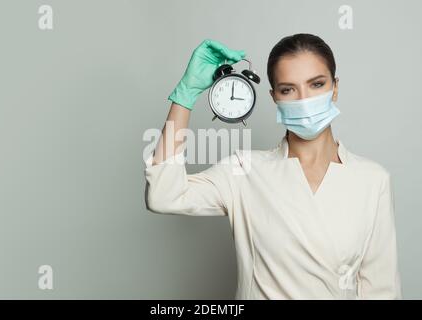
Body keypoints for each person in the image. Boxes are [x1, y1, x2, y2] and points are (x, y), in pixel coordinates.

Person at [143, 35, 403, 300]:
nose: (304, 100)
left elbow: (381, 291)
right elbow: (164, 195)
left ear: (335, 87)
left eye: (317, 84)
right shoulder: (244, 170)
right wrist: (185, 95)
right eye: (288, 89)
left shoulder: (372, 180)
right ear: (274, 96)